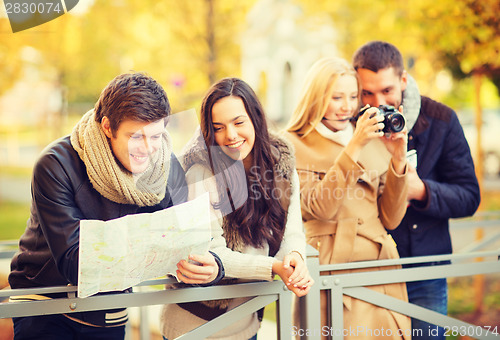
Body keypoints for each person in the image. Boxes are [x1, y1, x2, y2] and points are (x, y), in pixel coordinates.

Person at [8, 72, 223, 340]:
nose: (148, 149)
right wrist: (156, 243)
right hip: (44, 303)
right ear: (107, 127)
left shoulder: (166, 169)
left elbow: (189, 243)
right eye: (136, 136)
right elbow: (75, 261)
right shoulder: (56, 164)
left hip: (109, 309)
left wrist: (211, 265)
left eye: (156, 136)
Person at [160, 77, 314, 339]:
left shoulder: (281, 161)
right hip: (195, 326)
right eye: (218, 127)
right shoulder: (200, 170)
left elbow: (293, 231)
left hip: (247, 321)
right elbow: (211, 252)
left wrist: (294, 257)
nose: (230, 135)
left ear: (255, 118)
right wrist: (274, 268)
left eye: (238, 122)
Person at [352, 41, 481, 339]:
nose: (376, 102)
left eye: (386, 91)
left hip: (424, 270)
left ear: (403, 80)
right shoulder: (349, 124)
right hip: (368, 271)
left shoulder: (442, 119)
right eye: (366, 93)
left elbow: (470, 196)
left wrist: (422, 191)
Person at [285, 57, 411, 339]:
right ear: (316, 98)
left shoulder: (371, 137)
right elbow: (320, 207)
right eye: (337, 97)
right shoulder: (293, 143)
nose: (348, 106)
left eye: (353, 96)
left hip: (380, 265)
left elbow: (391, 218)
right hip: (333, 267)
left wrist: (399, 158)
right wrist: (354, 146)